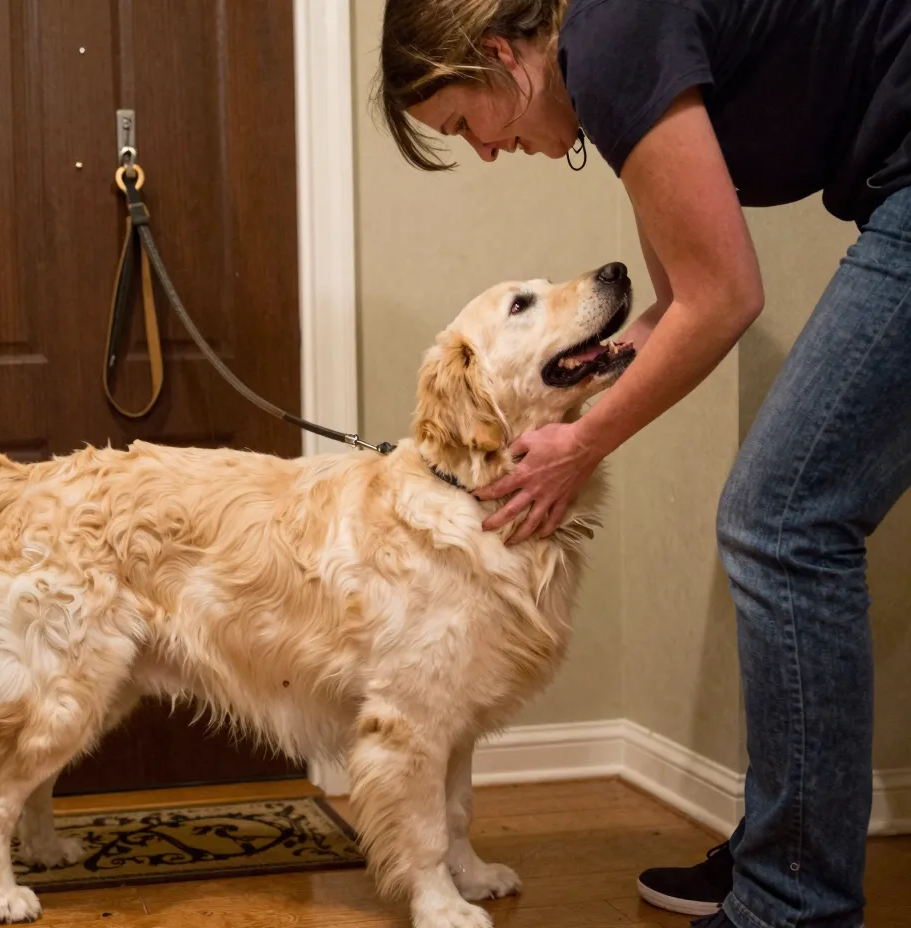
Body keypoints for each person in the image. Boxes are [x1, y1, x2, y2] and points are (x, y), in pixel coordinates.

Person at [374, 1, 911, 926]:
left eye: (468, 124)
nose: (489, 153)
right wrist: (567, 394)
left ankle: (793, 902)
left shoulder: (613, 43)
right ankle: (777, 858)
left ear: (504, 57)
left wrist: (579, 444)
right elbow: (673, 309)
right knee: (783, 519)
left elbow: (727, 297)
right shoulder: (610, 63)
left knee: (779, 520)